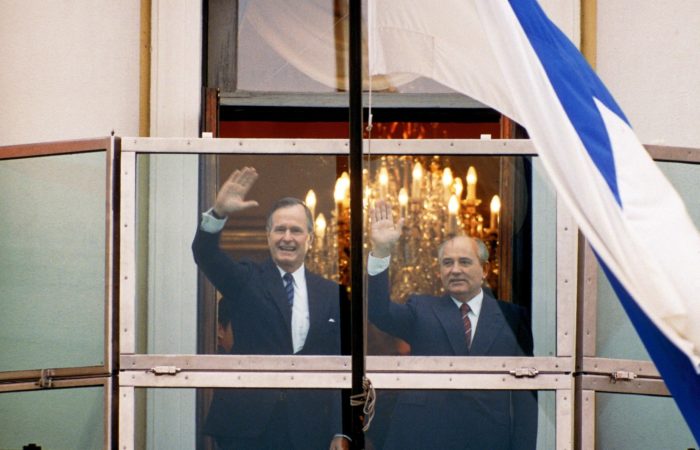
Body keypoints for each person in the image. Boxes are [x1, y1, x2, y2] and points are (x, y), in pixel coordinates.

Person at [192, 167, 349, 450]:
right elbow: (206, 254)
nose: (287, 237)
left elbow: (340, 366)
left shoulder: (331, 294)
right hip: (246, 427)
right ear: (268, 236)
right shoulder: (246, 278)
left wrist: (341, 430)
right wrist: (218, 213)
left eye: (296, 230)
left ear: (310, 239)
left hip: (308, 428)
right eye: (280, 229)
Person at [366, 199, 537, 450]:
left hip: (488, 440)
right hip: (425, 439)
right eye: (447, 263)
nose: (455, 270)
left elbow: (525, 397)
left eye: (465, 262)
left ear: (485, 270)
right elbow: (379, 311)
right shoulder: (422, 309)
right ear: (440, 271)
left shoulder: (512, 317)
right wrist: (381, 251)